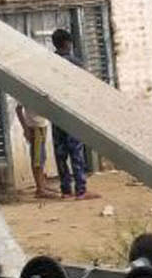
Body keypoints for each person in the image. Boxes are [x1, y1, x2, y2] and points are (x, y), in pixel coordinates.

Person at [51, 29, 98, 200]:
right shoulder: (75, 63)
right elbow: (88, 85)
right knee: (76, 152)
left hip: (55, 113)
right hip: (72, 112)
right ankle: (81, 189)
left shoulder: (48, 62)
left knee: (60, 153)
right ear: (67, 43)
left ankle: (65, 190)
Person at [15, 103, 60, 199]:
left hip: (42, 124)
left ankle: (42, 185)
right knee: (37, 158)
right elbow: (18, 109)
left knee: (42, 156)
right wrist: (25, 128)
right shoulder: (24, 92)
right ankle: (40, 189)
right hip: (34, 126)